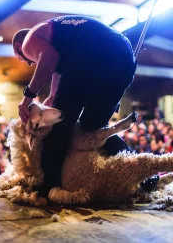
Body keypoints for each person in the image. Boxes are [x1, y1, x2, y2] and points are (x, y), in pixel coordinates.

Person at [13, 15, 137, 196]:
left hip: (91, 58)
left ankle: (47, 189)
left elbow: (48, 57)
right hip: (123, 57)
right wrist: (45, 107)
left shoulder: (30, 38)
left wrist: (27, 98)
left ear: (18, 47)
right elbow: (55, 94)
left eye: (23, 59)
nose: (28, 62)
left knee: (59, 129)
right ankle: (137, 168)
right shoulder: (62, 39)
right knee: (93, 128)